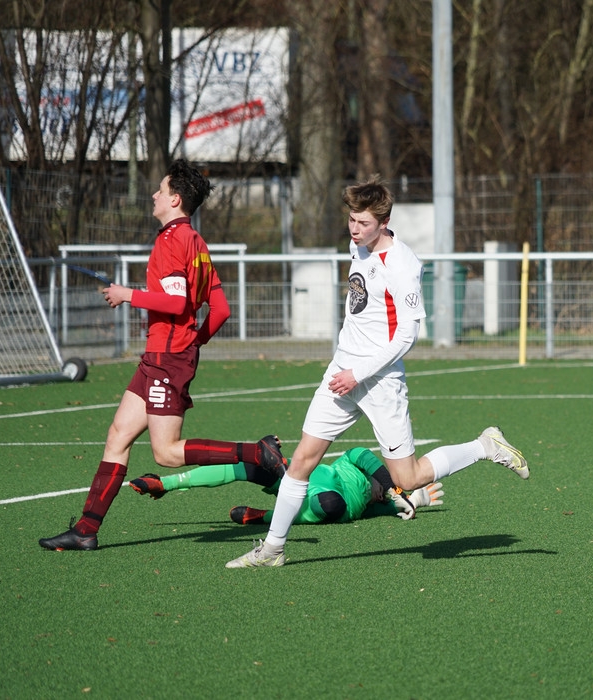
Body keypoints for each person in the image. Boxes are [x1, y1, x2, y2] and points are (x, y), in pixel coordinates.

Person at [226, 175, 528, 568]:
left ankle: (485, 446)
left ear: (384, 222)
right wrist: (347, 368)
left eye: (363, 223)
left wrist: (360, 372)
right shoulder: (359, 246)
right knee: (301, 461)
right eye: (351, 220)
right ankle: (272, 550)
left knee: (408, 478)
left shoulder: (403, 265)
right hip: (341, 373)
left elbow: (407, 335)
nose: (354, 229)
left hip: (380, 381)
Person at [39, 159, 286, 552]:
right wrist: (194, 342)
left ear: (175, 199)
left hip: (166, 358)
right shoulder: (196, 242)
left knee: (166, 453)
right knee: (118, 435)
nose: (154, 194)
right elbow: (220, 310)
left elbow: (176, 302)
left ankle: (257, 453)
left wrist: (127, 295)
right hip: (163, 356)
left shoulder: (172, 240)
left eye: (160, 189)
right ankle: (85, 530)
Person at [128, 447, 444, 530]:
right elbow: (364, 455)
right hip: (298, 473)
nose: (381, 494)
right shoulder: (355, 463)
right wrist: (395, 488)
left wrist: (414, 500)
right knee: (247, 466)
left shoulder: (365, 505)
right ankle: (166, 483)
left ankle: (264, 516)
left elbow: (389, 509)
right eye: (383, 487)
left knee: (331, 506)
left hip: (322, 503)